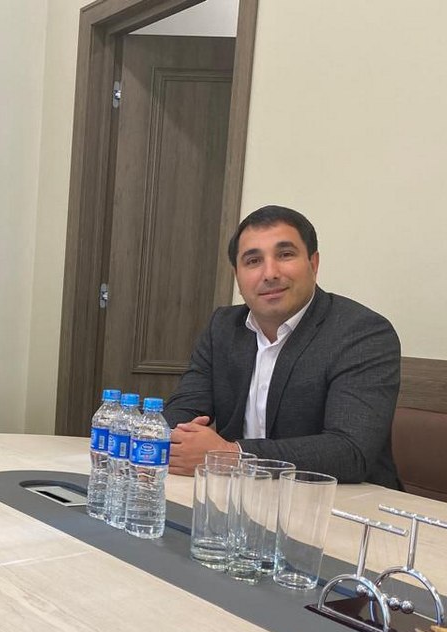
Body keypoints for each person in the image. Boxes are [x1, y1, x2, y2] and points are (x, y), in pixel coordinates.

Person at [163, 205, 401, 488]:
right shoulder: (223, 327)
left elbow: (350, 451)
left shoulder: (362, 332)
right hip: (240, 496)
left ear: (313, 263)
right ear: (237, 275)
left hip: (342, 503)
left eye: (285, 255)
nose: (270, 273)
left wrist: (232, 455)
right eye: (253, 261)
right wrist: (171, 437)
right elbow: (183, 410)